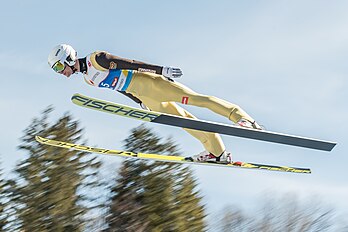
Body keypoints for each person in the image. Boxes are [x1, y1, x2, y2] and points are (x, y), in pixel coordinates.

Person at [48, 44, 262, 163]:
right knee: (185, 122)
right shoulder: (89, 79)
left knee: (197, 100)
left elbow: (130, 64)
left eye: (59, 68)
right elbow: (119, 87)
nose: (61, 73)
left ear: (67, 58)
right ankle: (218, 153)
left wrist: (161, 71)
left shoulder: (97, 59)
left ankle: (244, 119)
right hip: (146, 97)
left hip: (154, 85)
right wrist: (138, 102)